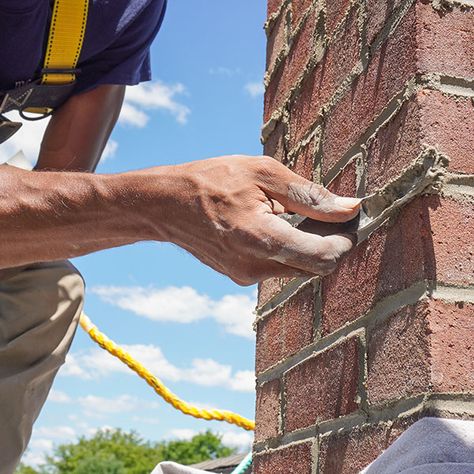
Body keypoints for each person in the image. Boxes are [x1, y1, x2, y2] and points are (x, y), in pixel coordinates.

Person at [0, 1, 360, 472]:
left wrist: (157, 208)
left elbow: (50, 217)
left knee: (42, 286)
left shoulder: (130, 11)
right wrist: (162, 205)